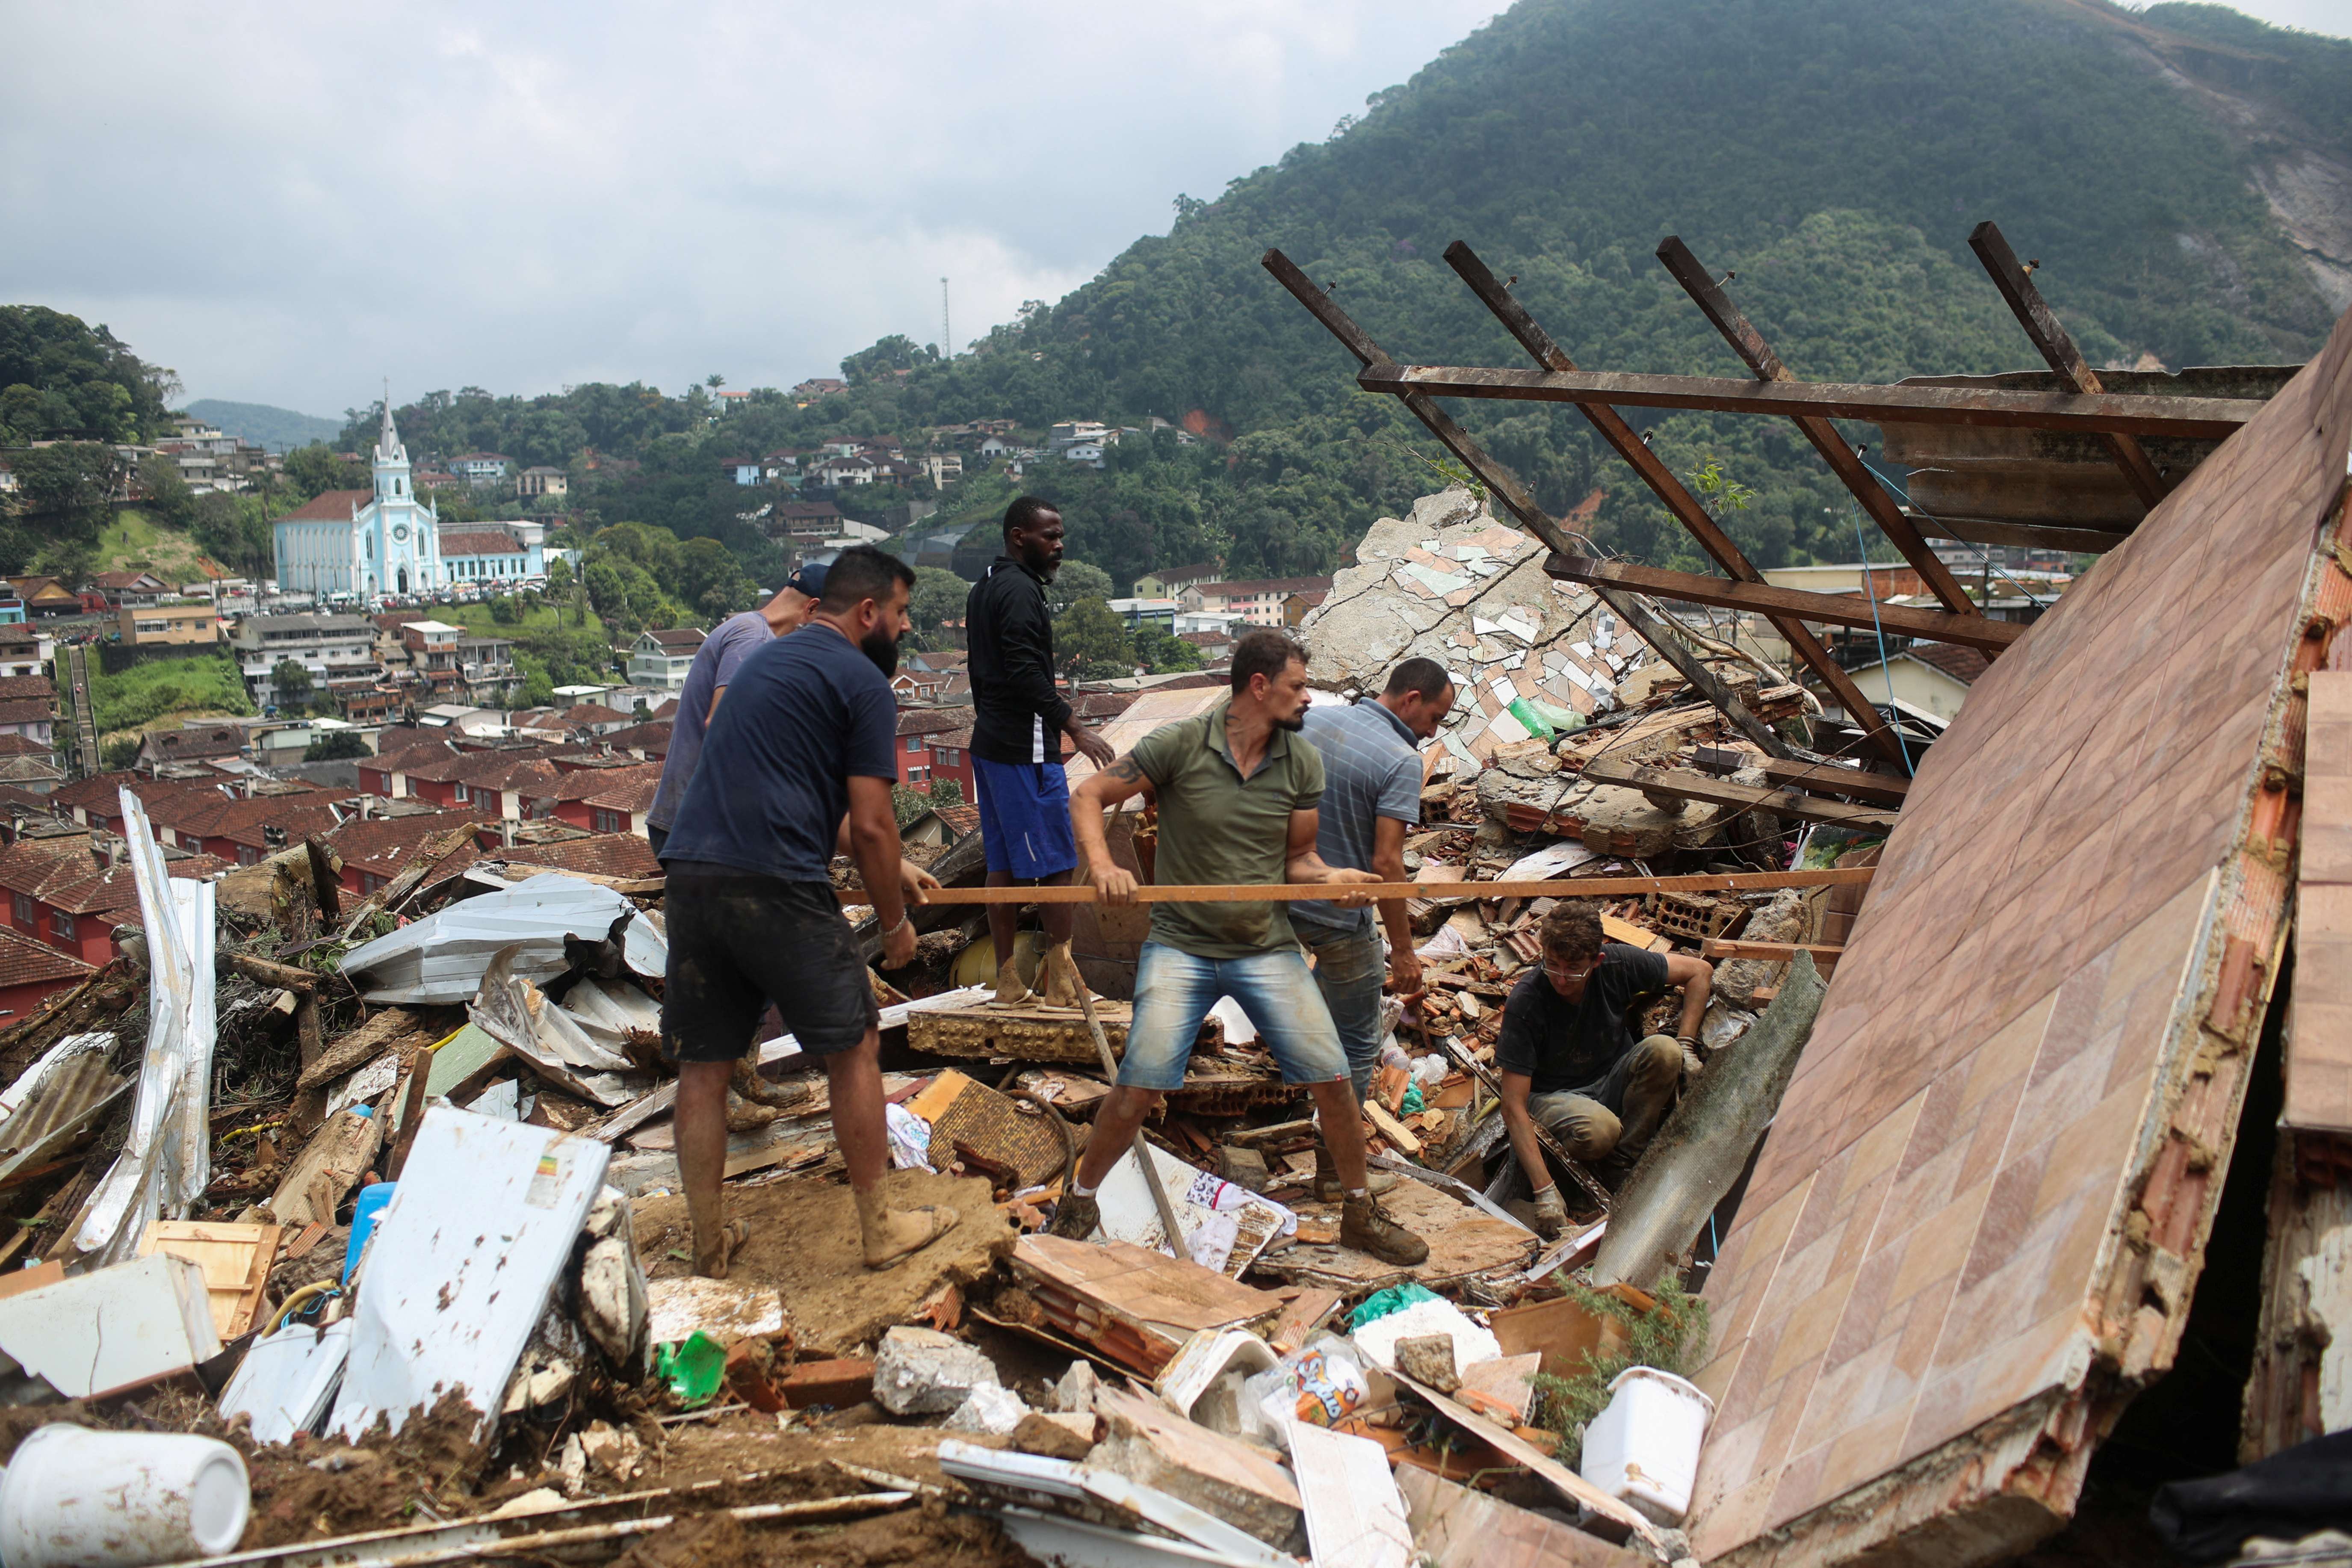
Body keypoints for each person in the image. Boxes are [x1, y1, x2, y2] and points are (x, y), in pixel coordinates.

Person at [1049, 629, 1429, 1266]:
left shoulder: (1301, 761)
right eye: (1298, 685)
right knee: (1139, 1084)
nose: (1308, 698)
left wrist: (1332, 880)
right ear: (1260, 685)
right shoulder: (1180, 744)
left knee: (1335, 1076)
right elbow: (1088, 795)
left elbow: (1299, 862)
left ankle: (1359, 1210)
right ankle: (1080, 1201)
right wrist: (1100, 864)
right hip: (1182, 943)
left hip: (1265, 944)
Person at [655, 546, 956, 1277]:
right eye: (903, 612)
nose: (907, 627)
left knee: (704, 1065)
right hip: (777, 883)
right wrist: (895, 925)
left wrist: (894, 867)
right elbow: (877, 821)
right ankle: (880, 1231)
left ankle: (708, 1245)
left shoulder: (764, 662)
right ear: (867, 613)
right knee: (853, 1043)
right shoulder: (862, 681)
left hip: (694, 871)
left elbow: (811, 803)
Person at [1290, 657, 1456, 1200]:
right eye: (1435, 715)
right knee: (1359, 1046)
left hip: (1281, 901)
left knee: (1305, 1026)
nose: (1434, 730)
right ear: (1410, 699)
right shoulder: (1402, 759)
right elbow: (1387, 863)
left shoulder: (1312, 721)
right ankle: (1335, 1169)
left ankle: (1309, 1123)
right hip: (1340, 917)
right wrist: (1403, 952)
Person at [966, 496, 1115, 1008]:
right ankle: (1061, 981)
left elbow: (983, 671)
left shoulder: (985, 585)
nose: (1059, 546)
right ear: (1018, 537)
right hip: (1024, 747)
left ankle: (1009, 979)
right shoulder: (1022, 592)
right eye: (1049, 537)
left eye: (1060, 536)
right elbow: (1026, 672)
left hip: (989, 742)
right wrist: (1077, 728)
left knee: (1003, 862)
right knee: (1055, 861)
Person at [1496, 901, 1712, 1238]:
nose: (1562, 979)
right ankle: (1573, 1181)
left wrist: (1687, 1042)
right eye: (1552, 965)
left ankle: (1622, 1165)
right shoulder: (1528, 1001)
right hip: (1552, 1097)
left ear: (1597, 960)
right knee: (1600, 1130)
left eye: (1573, 968)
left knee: (1666, 1052)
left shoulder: (1617, 965)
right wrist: (1544, 1190)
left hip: (1610, 1077)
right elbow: (1512, 1104)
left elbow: (1700, 971)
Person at [643, 562, 827, 858]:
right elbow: (722, 728)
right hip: (700, 832)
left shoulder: (749, 629)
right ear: (813, 609)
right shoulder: (756, 639)